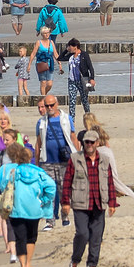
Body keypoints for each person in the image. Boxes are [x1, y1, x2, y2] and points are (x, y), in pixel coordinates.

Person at [0, 142, 56, 267]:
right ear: (30, 158)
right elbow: (51, 186)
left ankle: (22, 266)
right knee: (31, 237)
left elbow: (3, 187)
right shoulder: (38, 172)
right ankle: (29, 262)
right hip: (35, 209)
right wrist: (43, 200)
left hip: (17, 209)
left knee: (20, 237)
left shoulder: (13, 172)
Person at [62, 130, 117, 267]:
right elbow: (67, 182)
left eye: (92, 142)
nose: (89, 145)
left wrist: (112, 203)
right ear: (83, 143)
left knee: (96, 237)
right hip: (80, 204)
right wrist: (65, 202)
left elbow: (110, 182)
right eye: (87, 142)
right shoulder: (75, 159)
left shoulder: (105, 160)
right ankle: (75, 262)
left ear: (97, 143)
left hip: (99, 204)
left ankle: (91, 265)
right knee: (82, 234)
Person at [35, 93, 76, 230]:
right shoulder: (41, 122)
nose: (49, 107)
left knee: (64, 190)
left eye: (52, 105)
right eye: (47, 106)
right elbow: (38, 143)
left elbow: (73, 138)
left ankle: (65, 217)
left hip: (64, 161)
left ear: (57, 104)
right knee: (48, 192)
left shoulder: (66, 119)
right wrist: (36, 163)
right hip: (47, 161)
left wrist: (77, 156)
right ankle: (50, 221)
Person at [59, 38, 94, 121]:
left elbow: (90, 67)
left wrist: (92, 78)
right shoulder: (70, 55)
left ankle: (88, 117)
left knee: (84, 100)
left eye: (70, 46)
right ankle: (72, 121)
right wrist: (65, 50)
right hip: (72, 81)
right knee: (72, 101)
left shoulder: (84, 55)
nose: (69, 48)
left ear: (75, 47)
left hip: (82, 81)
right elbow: (59, 58)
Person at [28, 27, 59, 96]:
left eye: (48, 33)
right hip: (41, 64)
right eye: (45, 33)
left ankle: (44, 94)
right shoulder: (38, 42)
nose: (47, 34)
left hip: (50, 64)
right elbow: (33, 53)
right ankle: (43, 98)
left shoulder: (51, 42)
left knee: (50, 84)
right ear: (42, 34)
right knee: (43, 82)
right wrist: (29, 65)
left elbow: (55, 54)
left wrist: (59, 63)